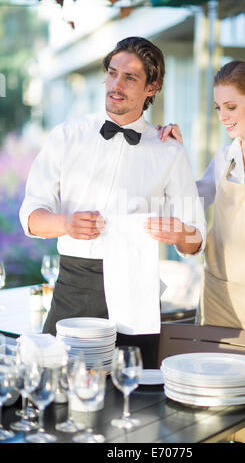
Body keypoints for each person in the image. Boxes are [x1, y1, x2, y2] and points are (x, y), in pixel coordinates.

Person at [19, 37, 206, 369]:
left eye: (130, 78)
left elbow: (196, 240)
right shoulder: (66, 136)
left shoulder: (169, 150)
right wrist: (65, 223)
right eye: (112, 73)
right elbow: (31, 216)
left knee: (131, 403)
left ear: (153, 87)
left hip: (137, 291)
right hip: (75, 287)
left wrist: (180, 235)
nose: (116, 85)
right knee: (55, 394)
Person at [157, 60, 245, 442]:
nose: (223, 116)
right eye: (218, 108)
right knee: (211, 414)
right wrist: (176, 155)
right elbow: (195, 193)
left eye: (231, 107)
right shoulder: (226, 155)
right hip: (217, 299)